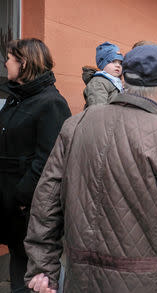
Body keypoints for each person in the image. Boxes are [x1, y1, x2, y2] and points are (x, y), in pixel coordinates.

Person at [24, 45, 157, 293]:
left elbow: (46, 200)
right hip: (139, 280)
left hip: (79, 276)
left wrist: (42, 266)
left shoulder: (76, 124)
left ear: (125, 79)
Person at [0, 38, 71, 293]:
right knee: (18, 265)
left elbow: (50, 160)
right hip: (11, 205)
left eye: (9, 57)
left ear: (24, 63)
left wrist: (21, 196)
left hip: (29, 209)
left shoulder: (51, 102)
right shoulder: (16, 98)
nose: (5, 62)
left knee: (32, 274)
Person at [83, 42, 124, 107]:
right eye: (113, 61)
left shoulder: (117, 83)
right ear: (102, 64)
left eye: (120, 63)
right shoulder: (98, 82)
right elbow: (98, 108)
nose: (118, 66)